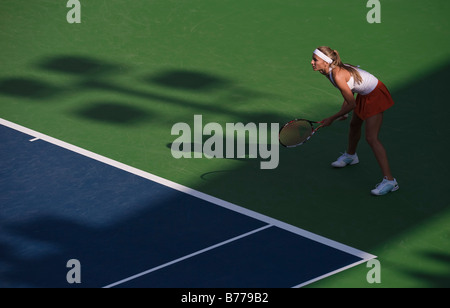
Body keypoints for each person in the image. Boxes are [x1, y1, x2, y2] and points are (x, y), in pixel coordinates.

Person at [311, 46, 399, 196]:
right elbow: (350, 90)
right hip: (364, 94)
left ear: (326, 62)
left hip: (375, 95)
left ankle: (390, 181)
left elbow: (352, 104)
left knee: (371, 138)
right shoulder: (328, 71)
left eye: (315, 60)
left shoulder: (337, 75)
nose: (312, 62)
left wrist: (332, 118)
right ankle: (351, 156)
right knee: (354, 125)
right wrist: (342, 111)